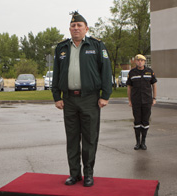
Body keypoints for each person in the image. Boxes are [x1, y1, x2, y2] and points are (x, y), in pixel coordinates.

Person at [52, 11, 113, 187]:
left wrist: (105, 96)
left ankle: (88, 174)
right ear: (69, 29)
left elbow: (106, 71)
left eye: (79, 25)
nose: (76, 28)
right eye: (73, 26)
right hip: (69, 99)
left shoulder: (97, 45)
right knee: (71, 139)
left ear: (86, 28)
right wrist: (57, 96)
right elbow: (56, 73)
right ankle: (74, 174)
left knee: (89, 138)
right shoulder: (62, 48)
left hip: (90, 99)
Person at [127, 54, 157, 150]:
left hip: (147, 101)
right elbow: (129, 87)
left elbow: (154, 85)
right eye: (138, 60)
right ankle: (137, 142)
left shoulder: (150, 72)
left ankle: (143, 142)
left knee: (145, 121)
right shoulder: (132, 73)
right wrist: (129, 100)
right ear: (135, 61)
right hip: (136, 101)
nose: (140, 62)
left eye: (142, 60)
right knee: (137, 122)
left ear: (144, 62)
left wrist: (154, 98)